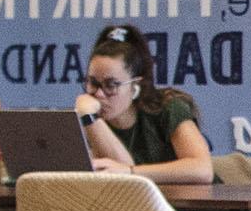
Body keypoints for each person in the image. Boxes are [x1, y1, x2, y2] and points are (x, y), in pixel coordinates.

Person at [74, 23, 214, 184]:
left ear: (135, 87)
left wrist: (131, 172)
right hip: (138, 207)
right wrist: (91, 121)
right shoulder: (90, 118)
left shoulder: (169, 107)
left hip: (198, 205)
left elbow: (202, 170)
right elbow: (119, 182)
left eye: (111, 85)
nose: (98, 94)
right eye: (93, 83)